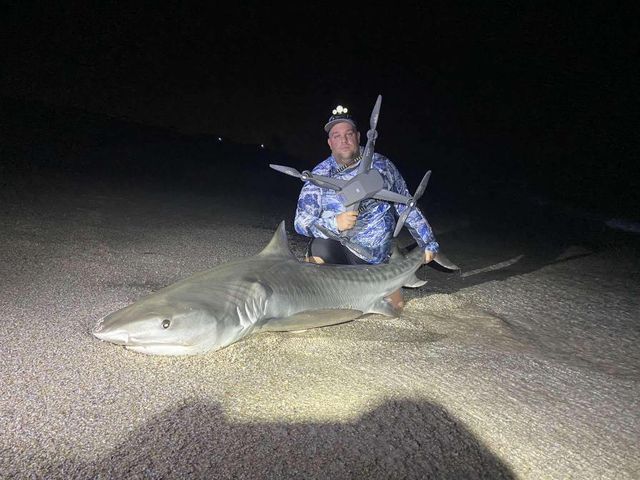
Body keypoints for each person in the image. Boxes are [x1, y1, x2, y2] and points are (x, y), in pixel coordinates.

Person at [294, 105, 439, 310]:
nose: (343, 140)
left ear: (358, 136)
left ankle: (390, 264)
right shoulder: (319, 175)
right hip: (336, 250)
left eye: (349, 134)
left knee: (394, 308)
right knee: (318, 261)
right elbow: (300, 222)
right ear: (330, 142)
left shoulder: (382, 166)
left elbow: (407, 205)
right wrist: (334, 223)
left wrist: (428, 242)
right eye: (336, 136)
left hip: (375, 256)